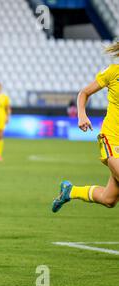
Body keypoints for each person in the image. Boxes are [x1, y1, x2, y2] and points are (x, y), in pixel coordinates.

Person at [52, 42, 119, 213]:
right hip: (112, 139)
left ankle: (70, 191)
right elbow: (84, 92)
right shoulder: (112, 72)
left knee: (109, 199)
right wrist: (81, 114)